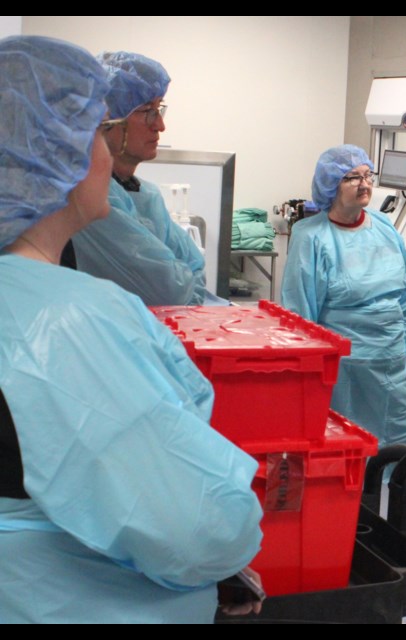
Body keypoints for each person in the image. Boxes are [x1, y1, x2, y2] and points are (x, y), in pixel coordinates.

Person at [0, 35, 263, 623]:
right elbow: (201, 528)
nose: (104, 151)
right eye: (96, 131)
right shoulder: (72, 321)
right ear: (53, 155)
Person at [282, 145, 406, 453]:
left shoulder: (385, 228)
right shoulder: (311, 237)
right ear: (331, 185)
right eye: (352, 177)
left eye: (367, 175)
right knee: (346, 456)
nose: (364, 184)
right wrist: (306, 374)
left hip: (391, 367)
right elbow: (301, 313)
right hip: (342, 372)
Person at [69, 50, 210, 306]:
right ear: (109, 120)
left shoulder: (148, 194)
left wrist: (180, 280)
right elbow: (169, 290)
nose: (160, 126)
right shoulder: (91, 198)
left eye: (159, 110)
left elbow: (196, 269)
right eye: (148, 111)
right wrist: (180, 278)